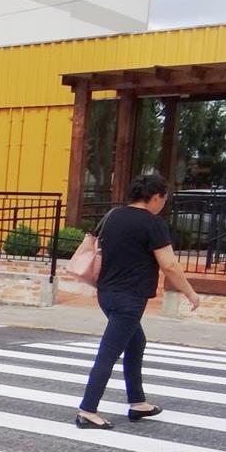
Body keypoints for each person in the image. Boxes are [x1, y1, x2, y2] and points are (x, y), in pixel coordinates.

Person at [76, 173, 200, 429]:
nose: (163, 204)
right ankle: (87, 410)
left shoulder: (113, 217)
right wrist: (190, 292)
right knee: (109, 353)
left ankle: (137, 402)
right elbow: (169, 265)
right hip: (129, 299)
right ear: (155, 196)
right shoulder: (152, 224)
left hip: (107, 294)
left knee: (136, 343)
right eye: (163, 198)